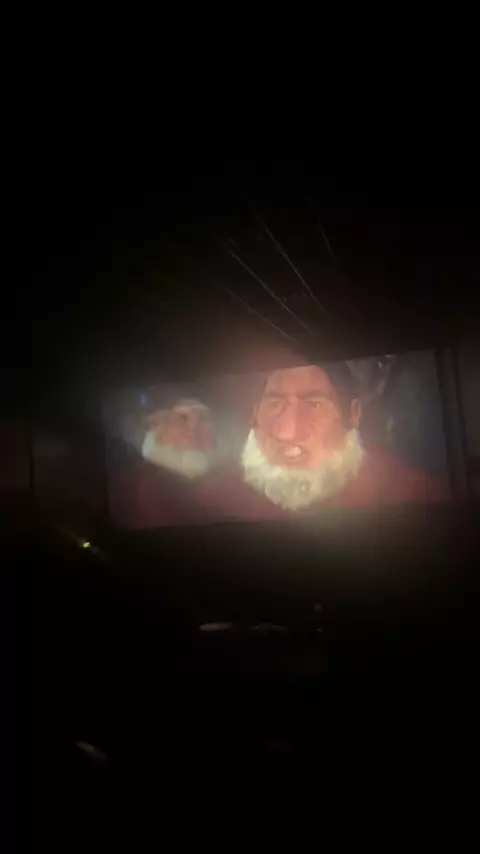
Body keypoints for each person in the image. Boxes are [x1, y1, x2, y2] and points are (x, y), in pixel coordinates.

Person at [198, 363, 449, 520]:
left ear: (353, 415)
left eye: (314, 405)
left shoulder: (413, 496)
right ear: (254, 414)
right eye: (274, 405)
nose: (287, 432)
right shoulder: (214, 499)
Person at [111, 398, 221, 528]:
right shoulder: (151, 476)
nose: (192, 428)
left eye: (200, 420)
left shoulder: (212, 467)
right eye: (182, 419)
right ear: (160, 427)